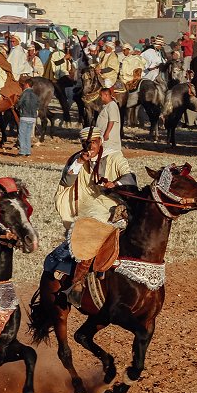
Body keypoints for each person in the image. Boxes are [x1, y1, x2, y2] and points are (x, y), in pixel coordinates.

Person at [54, 128, 136, 307]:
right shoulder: (77, 159)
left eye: (94, 142)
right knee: (91, 227)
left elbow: (130, 177)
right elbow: (66, 182)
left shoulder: (114, 156)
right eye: (86, 143)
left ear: (101, 142)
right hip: (88, 206)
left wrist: (115, 183)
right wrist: (79, 162)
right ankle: (77, 282)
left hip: (113, 202)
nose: (90, 146)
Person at [16, 79, 38, 157]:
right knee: (28, 135)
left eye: (24, 84)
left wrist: (16, 106)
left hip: (25, 116)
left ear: (27, 84)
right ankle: (28, 151)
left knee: (22, 134)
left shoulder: (25, 93)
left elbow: (20, 103)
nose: (23, 86)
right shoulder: (35, 94)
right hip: (33, 117)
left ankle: (22, 151)